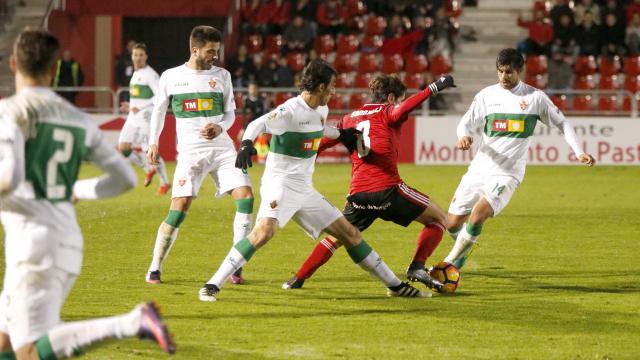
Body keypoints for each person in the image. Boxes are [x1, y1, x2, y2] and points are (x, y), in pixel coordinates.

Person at [0, 28, 175, 359]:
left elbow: (9, 177)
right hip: (65, 241)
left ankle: (131, 323)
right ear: (53, 70)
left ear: (12, 64)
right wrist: (73, 188)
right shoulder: (77, 118)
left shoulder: (10, 111)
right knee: (4, 345)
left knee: (27, 352)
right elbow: (125, 178)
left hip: (34, 246)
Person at [198, 59, 428, 302]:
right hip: (281, 184)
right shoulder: (290, 110)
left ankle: (394, 285)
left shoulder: (321, 110)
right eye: (331, 86)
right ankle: (212, 284)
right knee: (263, 232)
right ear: (320, 87)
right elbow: (258, 123)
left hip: (305, 190)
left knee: (350, 234)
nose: (334, 91)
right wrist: (246, 144)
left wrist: (341, 134)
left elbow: (319, 128)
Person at [282, 73, 456, 291]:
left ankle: (298, 277)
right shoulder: (388, 111)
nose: (400, 103)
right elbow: (403, 109)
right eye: (399, 99)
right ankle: (417, 267)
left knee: (339, 236)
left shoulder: (349, 118)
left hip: (358, 195)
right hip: (388, 190)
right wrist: (435, 87)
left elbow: (321, 142)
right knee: (439, 219)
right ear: (391, 98)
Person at [442, 48, 595, 270]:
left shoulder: (535, 98)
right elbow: (465, 123)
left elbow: (562, 123)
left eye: (509, 72)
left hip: (507, 173)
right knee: (452, 224)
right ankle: (463, 249)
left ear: (520, 71)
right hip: (479, 168)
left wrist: (579, 151)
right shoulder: (486, 96)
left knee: (477, 217)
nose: (504, 77)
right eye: (500, 72)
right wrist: (463, 135)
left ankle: (448, 264)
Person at [145, 25, 254, 285]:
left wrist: (220, 126)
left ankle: (236, 265)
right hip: (191, 152)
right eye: (210, 51)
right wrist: (153, 142)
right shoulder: (171, 77)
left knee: (246, 198)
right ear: (195, 50)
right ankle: (155, 267)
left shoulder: (223, 76)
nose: (215, 55)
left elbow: (230, 113)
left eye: (217, 50)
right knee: (179, 208)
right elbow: (159, 111)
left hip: (223, 149)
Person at [118, 42, 170, 195]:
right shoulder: (136, 73)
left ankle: (165, 182)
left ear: (146, 57)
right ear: (132, 56)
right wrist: (131, 105)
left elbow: (160, 96)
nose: (138, 58)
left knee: (150, 151)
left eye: (141, 55)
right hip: (133, 117)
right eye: (135, 55)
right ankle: (148, 169)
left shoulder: (150, 74)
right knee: (123, 147)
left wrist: (140, 107)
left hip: (146, 117)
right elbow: (140, 97)